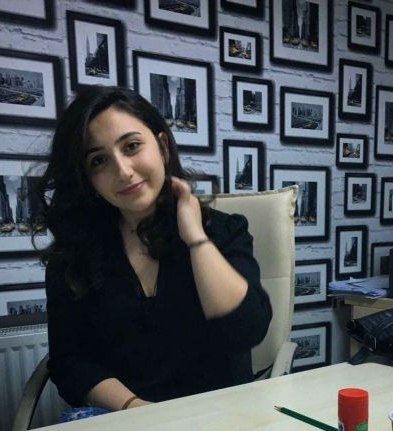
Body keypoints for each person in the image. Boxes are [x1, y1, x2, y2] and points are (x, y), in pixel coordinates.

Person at [35, 86, 272, 415]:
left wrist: (195, 238)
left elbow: (246, 330)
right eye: (98, 160)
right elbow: (70, 362)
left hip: (217, 414)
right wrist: (137, 408)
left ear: (162, 147)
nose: (123, 171)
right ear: (87, 178)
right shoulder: (72, 257)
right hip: (125, 416)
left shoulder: (224, 231)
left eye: (131, 146)